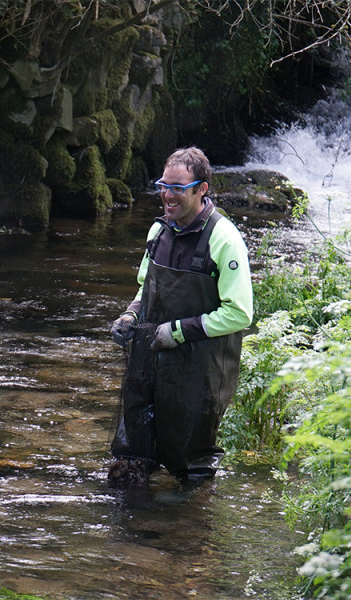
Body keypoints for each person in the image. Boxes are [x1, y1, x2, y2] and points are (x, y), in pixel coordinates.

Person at [108, 147, 253, 485]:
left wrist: (177, 332)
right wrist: (130, 316)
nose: (167, 195)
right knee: (136, 456)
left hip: (200, 373)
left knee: (193, 468)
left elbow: (240, 313)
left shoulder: (225, 240)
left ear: (202, 189)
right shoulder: (157, 232)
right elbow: (145, 289)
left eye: (177, 187)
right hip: (150, 363)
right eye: (163, 185)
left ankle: (191, 528)